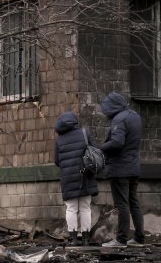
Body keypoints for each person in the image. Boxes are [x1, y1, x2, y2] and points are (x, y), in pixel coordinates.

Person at [98, 91, 144, 247]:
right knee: (133, 202)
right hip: (133, 166)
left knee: (122, 204)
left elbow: (117, 142)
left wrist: (101, 148)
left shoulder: (119, 119)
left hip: (120, 168)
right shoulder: (134, 116)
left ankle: (121, 239)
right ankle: (139, 237)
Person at [53, 112, 98, 246]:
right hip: (85, 175)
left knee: (71, 208)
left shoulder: (59, 139)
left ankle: (73, 238)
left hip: (68, 177)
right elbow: (95, 152)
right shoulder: (84, 133)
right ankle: (85, 239)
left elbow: (56, 161)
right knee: (85, 207)